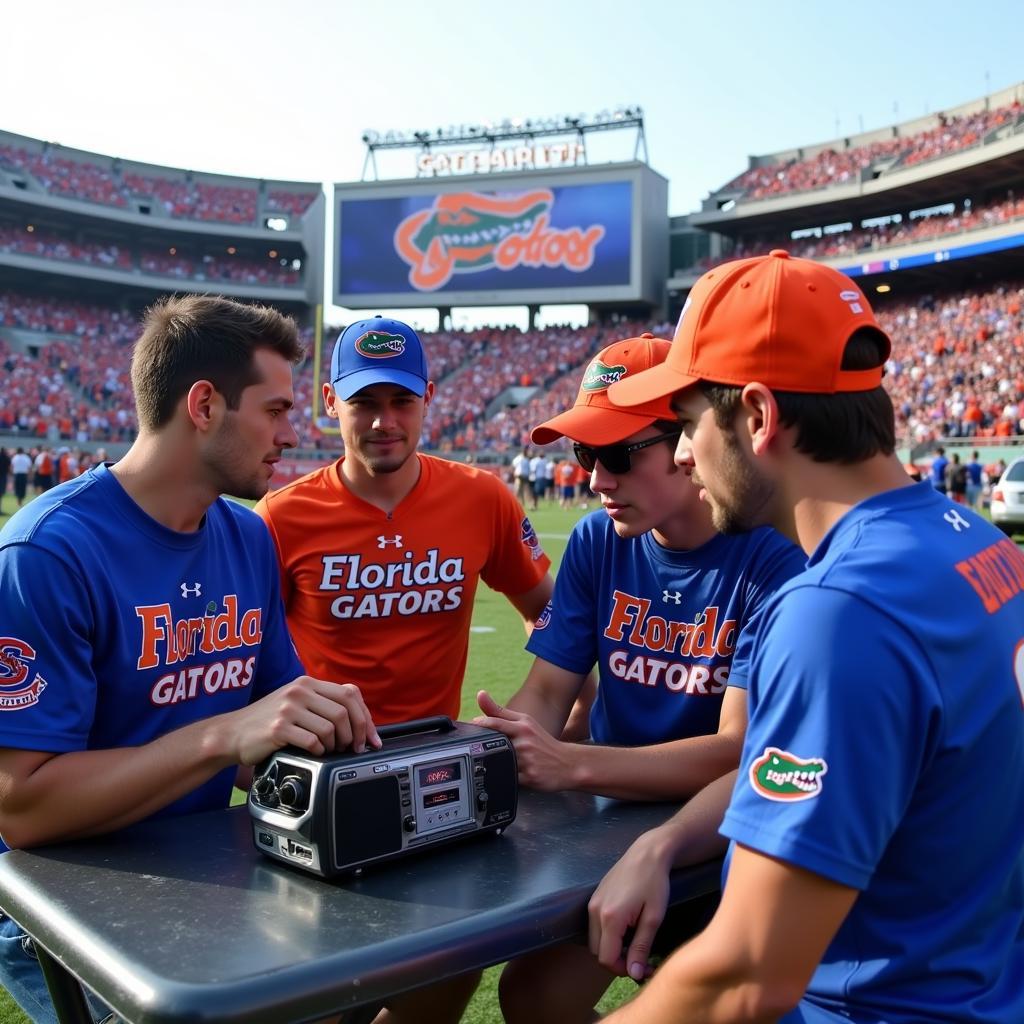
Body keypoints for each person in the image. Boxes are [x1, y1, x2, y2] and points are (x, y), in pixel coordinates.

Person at [597, 249, 1023, 1023]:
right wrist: (666, 840)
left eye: (690, 423)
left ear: (756, 416)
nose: (685, 454)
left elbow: (748, 976)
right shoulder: (982, 543)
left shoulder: (838, 610)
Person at [0, 295, 380, 1024]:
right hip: (69, 911)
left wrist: (353, 748)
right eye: (274, 410)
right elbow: (22, 808)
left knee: (369, 985)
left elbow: (266, 738)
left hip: (201, 877)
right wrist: (222, 736)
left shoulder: (247, 537)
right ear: (204, 404)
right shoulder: (48, 552)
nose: (290, 434)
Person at [474, 335, 805, 1024]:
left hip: (729, 843)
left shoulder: (772, 558)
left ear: (687, 441)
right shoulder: (599, 542)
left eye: (619, 455)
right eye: (583, 456)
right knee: (531, 996)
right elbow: (545, 693)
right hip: (611, 829)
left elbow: (738, 751)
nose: (597, 480)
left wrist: (575, 765)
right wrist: (489, 739)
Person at [253, 316, 553, 1024]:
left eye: (401, 402)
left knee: (437, 987)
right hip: (324, 789)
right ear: (331, 402)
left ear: (427, 399)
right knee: (317, 999)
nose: (384, 422)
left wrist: (555, 708)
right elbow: (246, 664)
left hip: (442, 787)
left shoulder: (483, 498)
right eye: (364, 403)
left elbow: (550, 614)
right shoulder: (280, 517)